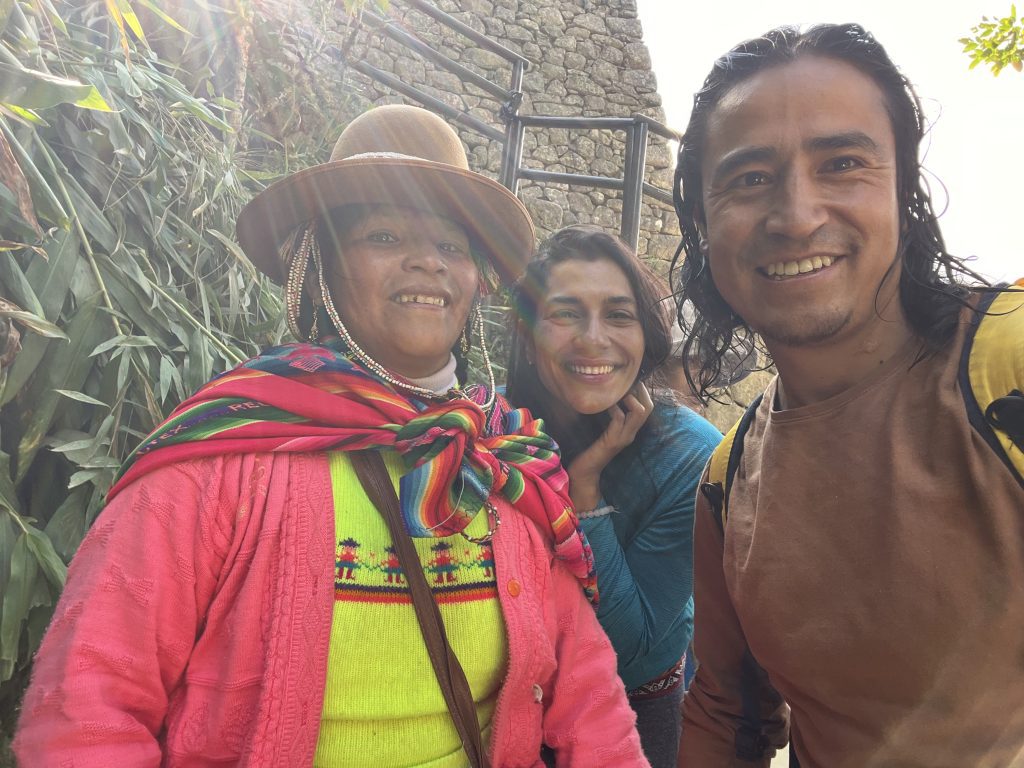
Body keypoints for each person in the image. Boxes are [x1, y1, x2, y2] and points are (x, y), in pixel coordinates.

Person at [15, 105, 651, 767]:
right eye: (383, 237)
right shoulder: (226, 451)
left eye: (452, 247)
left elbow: (588, 696)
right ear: (319, 264)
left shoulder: (498, 459)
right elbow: (87, 707)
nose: (428, 263)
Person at [670, 23, 1024, 767]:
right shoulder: (728, 480)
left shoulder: (1008, 366)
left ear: (904, 192)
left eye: (842, 164)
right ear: (703, 224)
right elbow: (728, 710)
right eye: (749, 178)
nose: (797, 216)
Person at [505, 225, 721, 768]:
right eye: (565, 313)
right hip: (507, 714)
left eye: (619, 315)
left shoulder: (689, 456)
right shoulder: (496, 435)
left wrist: (584, 492)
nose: (594, 339)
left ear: (646, 336)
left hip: (634, 717)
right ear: (529, 337)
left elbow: (630, 648)